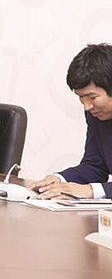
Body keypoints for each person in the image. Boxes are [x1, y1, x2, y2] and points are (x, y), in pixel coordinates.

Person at [32, 44, 112, 199]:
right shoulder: (96, 114)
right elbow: (95, 166)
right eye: (81, 98)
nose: (87, 106)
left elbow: (91, 188)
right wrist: (59, 179)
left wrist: (90, 191)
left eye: (92, 97)